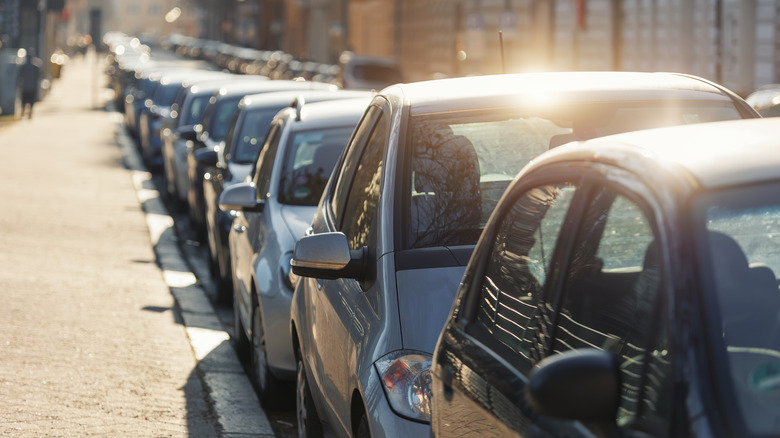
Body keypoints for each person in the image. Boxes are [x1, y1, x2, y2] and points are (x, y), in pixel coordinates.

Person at [18, 50, 41, 119]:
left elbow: (19, 76)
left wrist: (18, 85)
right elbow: (38, 76)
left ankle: (22, 111)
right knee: (31, 101)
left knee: (24, 100)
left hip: (25, 87)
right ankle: (30, 112)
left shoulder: (23, 66)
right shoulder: (35, 67)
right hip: (32, 87)